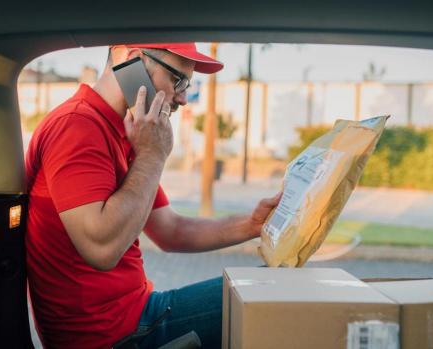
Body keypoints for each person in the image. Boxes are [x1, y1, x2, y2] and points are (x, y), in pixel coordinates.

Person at [25, 43, 282, 349]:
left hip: (137, 314)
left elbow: (170, 231)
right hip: (109, 336)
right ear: (134, 63)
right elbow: (100, 249)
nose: (184, 98)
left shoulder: (124, 131)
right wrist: (153, 155)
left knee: (281, 285)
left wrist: (253, 225)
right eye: (178, 80)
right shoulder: (78, 125)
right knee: (282, 293)